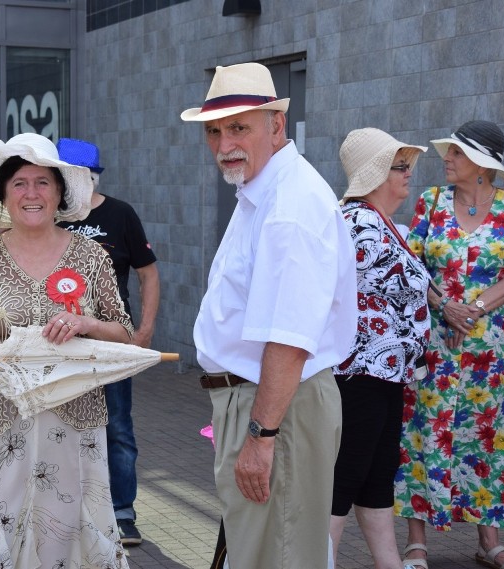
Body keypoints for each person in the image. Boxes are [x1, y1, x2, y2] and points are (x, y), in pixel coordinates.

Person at [181, 62, 357, 569]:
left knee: (275, 556)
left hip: (277, 406)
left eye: (239, 126)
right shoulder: (263, 190)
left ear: (276, 125)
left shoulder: (288, 205)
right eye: (214, 130)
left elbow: (289, 338)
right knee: (268, 551)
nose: (222, 143)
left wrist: (260, 437)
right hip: (269, 403)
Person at [0, 132, 132, 569]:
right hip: (3, 416)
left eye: (43, 182)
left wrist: (87, 323)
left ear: (60, 192)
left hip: (74, 416)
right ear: (4, 194)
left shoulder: (90, 256)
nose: (32, 193)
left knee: (71, 521)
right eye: (20, 183)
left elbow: (124, 333)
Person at [396, 120, 504, 569]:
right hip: (434, 342)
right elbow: (411, 263)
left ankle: (490, 542)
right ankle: (416, 544)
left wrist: (471, 309)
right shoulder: (432, 203)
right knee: (423, 433)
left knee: (486, 438)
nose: (446, 159)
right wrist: (444, 306)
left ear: (481, 164)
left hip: (488, 352)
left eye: (456, 153)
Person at [328, 128, 430, 569]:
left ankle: (389, 564)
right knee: (347, 476)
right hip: (359, 373)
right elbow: (406, 290)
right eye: (400, 166)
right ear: (375, 175)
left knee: (376, 476)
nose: (409, 175)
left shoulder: (380, 222)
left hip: (384, 372)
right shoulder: (360, 223)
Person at [56, 137, 160, 546]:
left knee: (115, 426)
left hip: (112, 341)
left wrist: (145, 329)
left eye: (74, 177)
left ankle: (121, 511)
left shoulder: (120, 214)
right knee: (59, 426)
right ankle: (64, 507)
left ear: (92, 177)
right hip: (59, 342)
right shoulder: (48, 216)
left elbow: (148, 273)